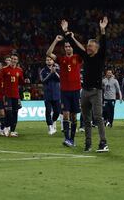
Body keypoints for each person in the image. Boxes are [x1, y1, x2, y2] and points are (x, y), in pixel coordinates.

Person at [62, 17, 109, 153]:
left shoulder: (100, 57)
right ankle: (88, 145)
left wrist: (103, 30)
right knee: (86, 119)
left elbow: (104, 44)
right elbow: (75, 45)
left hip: (96, 91)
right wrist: (66, 31)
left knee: (98, 117)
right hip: (85, 92)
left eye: (90, 46)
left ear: (96, 48)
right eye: (87, 45)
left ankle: (103, 143)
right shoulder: (86, 56)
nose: (87, 47)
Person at [46, 33, 83, 147]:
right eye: (66, 46)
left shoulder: (77, 58)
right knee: (66, 115)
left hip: (76, 91)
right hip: (65, 91)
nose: (67, 48)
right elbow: (48, 53)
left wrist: (73, 38)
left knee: (74, 116)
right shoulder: (61, 59)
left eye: (69, 46)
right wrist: (56, 40)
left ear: (72, 47)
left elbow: (83, 50)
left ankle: (72, 139)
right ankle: (67, 139)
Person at [0, 53, 25, 137]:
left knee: (15, 113)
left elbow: (21, 82)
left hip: (16, 95)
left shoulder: (19, 70)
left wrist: (26, 81)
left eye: (15, 59)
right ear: (10, 60)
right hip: (7, 95)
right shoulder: (4, 70)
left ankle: (12, 131)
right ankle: (6, 127)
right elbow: (0, 82)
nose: (13, 60)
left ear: (17, 61)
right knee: (9, 113)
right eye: (12, 59)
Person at [39, 56, 61, 135]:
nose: (49, 61)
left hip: (56, 93)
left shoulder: (58, 69)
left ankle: (53, 121)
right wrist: (50, 73)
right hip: (47, 94)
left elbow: (61, 79)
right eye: (47, 60)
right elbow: (43, 81)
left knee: (57, 111)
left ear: (53, 61)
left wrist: (54, 72)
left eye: (50, 60)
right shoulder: (43, 71)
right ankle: (50, 126)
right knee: (48, 111)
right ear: (46, 62)